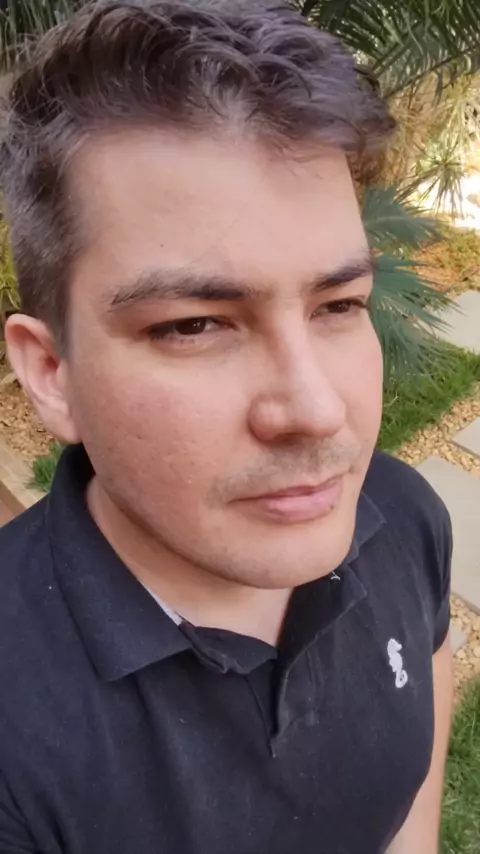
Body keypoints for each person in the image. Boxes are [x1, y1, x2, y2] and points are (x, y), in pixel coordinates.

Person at [0, 2, 453, 852]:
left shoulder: (402, 515)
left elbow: (425, 701)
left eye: (338, 304)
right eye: (193, 325)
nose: (318, 410)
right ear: (52, 373)